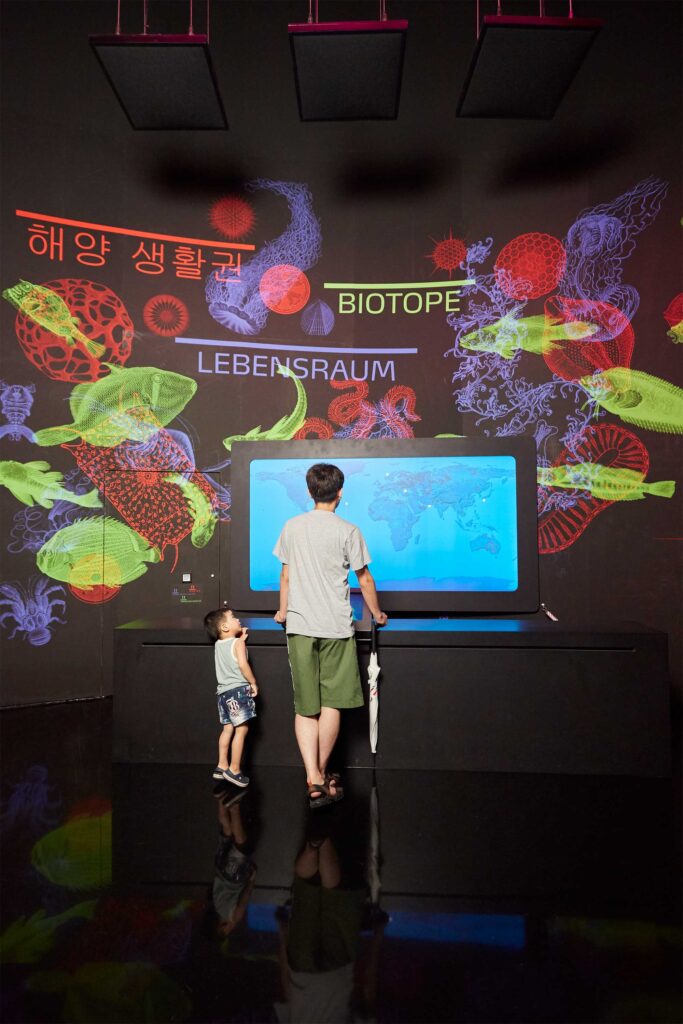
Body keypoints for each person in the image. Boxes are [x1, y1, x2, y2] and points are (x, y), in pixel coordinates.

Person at [273, 463, 387, 809]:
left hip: (300, 627)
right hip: (337, 627)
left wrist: (282, 612)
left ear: (310, 492)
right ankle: (320, 775)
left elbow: (286, 578)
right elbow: (364, 579)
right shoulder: (348, 530)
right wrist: (378, 614)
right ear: (340, 493)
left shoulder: (291, 527)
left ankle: (314, 778)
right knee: (331, 704)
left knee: (305, 705)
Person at [204, 608, 258, 787]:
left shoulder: (219, 645)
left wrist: (240, 639)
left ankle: (221, 765)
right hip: (238, 692)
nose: (238, 620)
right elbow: (242, 664)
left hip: (223, 694)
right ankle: (234, 770)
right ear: (225, 626)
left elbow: (230, 656)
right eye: (233, 618)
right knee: (241, 730)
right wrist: (253, 683)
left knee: (227, 730)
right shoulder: (237, 644)